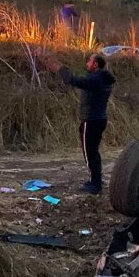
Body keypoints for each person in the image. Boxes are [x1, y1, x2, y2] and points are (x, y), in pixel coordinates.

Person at [46, 52, 115, 195]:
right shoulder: (102, 78)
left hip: (91, 120)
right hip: (98, 119)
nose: (86, 64)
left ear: (96, 64)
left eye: (89, 61)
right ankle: (96, 180)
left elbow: (75, 81)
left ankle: (95, 184)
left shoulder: (96, 79)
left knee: (90, 153)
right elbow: (80, 80)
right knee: (93, 152)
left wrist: (59, 68)